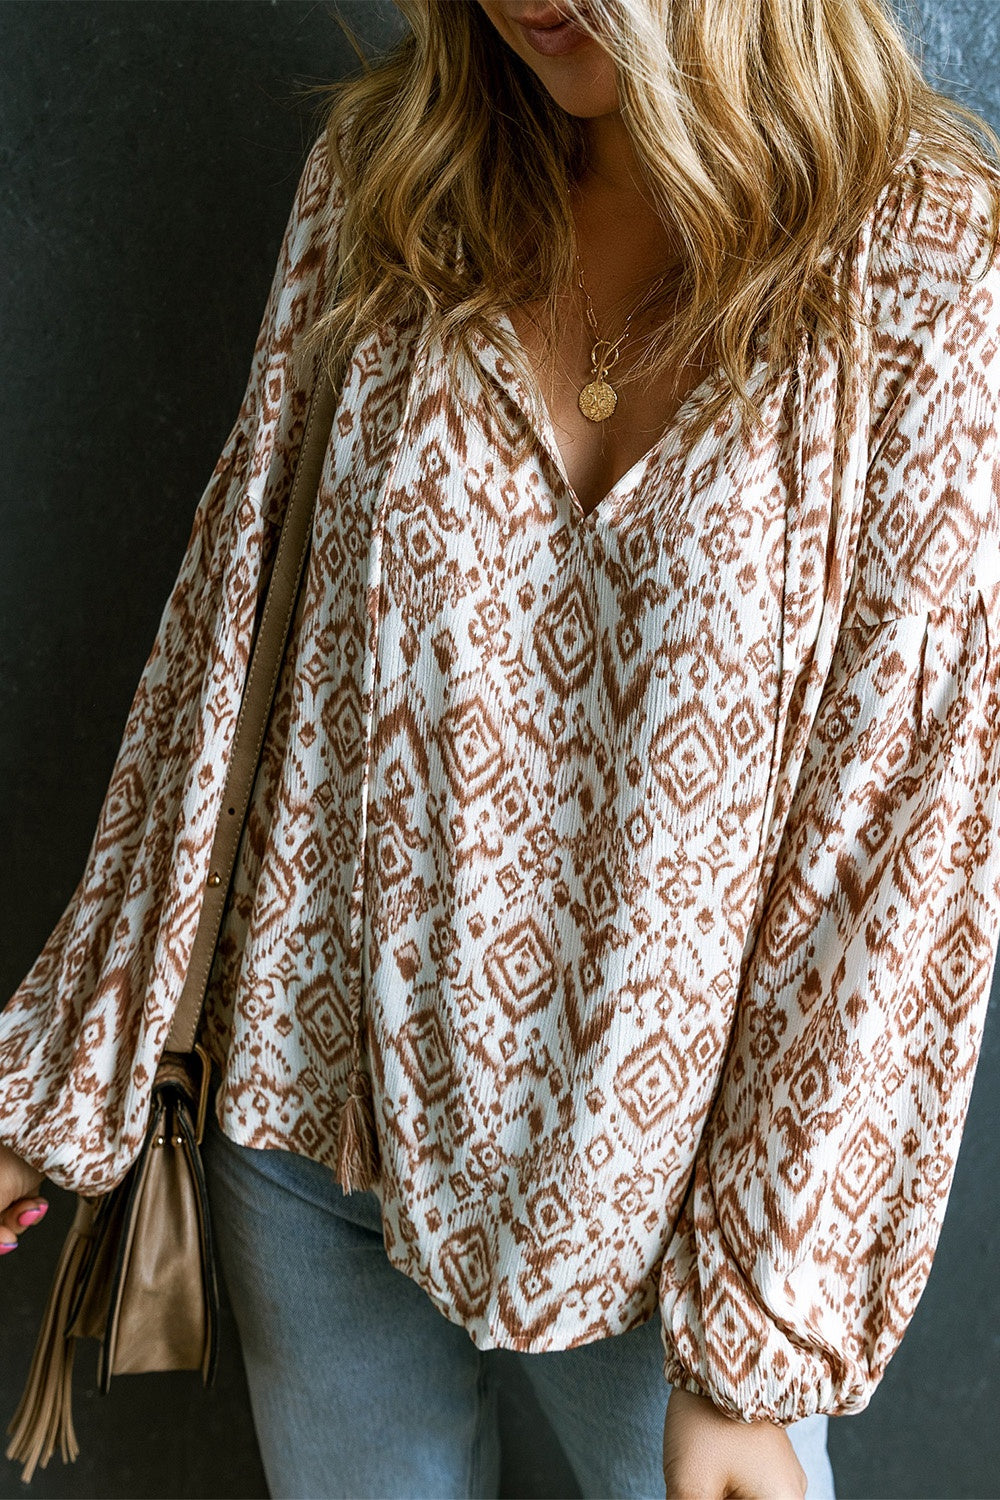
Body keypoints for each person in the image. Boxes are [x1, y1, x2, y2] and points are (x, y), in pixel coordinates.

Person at [3, 1, 1000, 1496]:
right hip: (310, 1111)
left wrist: (755, 1338)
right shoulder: (391, 176)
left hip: (658, 1207)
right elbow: (231, 625)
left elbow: (902, 826)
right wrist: (62, 1070)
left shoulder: (925, 254)